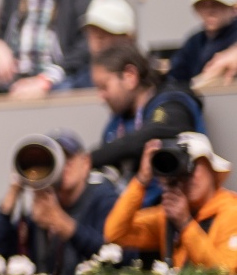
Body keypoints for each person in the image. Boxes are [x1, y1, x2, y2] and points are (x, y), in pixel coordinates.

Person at [0, 130, 120, 275]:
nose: (62, 166)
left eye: (68, 158)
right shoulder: (43, 206)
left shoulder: (103, 197)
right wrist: (13, 193)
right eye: (55, 160)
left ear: (86, 162)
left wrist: (63, 224)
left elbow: (115, 256)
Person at [103, 133, 237, 273]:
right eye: (181, 170)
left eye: (192, 165)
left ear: (211, 168)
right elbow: (114, 234)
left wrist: (185, 224)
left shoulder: (232, 212)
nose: (186, 177)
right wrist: (141, 180)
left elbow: (226, 274)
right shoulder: (167, 216)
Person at [85, 37, 206, 175]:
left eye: (104, 86)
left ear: (130, 76)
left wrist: (88, 160)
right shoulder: (115, 123)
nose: (101, 97)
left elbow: (155, 131)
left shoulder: (171, 101)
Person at [169, 0, 237, 92]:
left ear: (231, 6)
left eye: (217, 3)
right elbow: (175, 80)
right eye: (203, 4)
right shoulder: (193, 43)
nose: (210, 11)